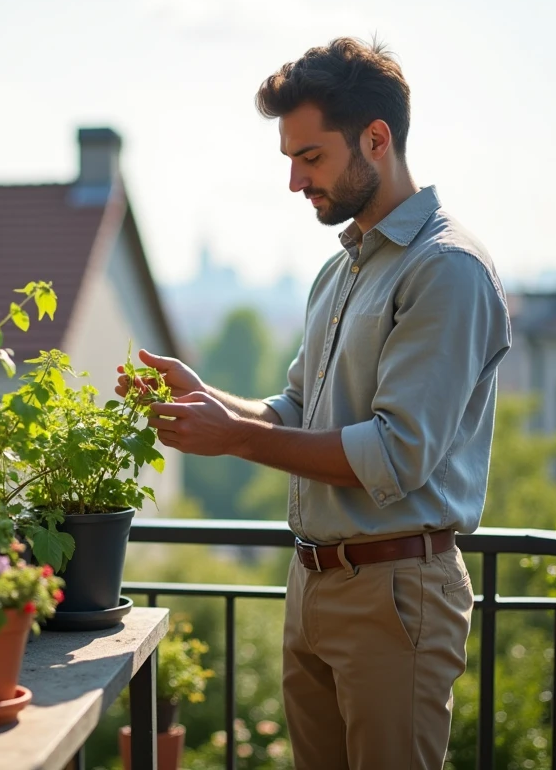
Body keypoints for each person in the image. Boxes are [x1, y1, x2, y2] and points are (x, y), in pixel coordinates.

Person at [115, 38, 511, 769]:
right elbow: (297, 409)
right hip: (313, 585)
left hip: (395, 596)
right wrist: (208, 400)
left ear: (376, 139)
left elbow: (395, 453)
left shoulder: (446, 270)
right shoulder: (341, 270)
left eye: (311, 157)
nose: (296, 181)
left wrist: (232, 436)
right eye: (290, 159)